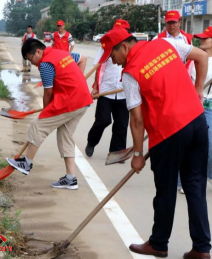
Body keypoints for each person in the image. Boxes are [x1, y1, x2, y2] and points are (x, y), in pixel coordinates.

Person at [98, 28, 211, 258]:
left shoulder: (130, 74)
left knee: (166, 190)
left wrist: (138, 154)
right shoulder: (166, 45)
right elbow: (201, 56)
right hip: (197, 122)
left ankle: (158, 243)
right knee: (196, 186)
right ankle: (201, 248)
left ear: (124, 47)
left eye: (112, 55)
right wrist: (198, 89)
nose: (113, 61)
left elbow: (137, 120)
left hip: (169, 133)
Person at [6, 39, 93, 190]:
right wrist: (77, 82)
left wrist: (46, 112)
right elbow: (83, 59)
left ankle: (26, 163)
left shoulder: (45, 64)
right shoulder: (61, 53)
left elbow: (48, 93)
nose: (31, 62)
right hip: (83, 100)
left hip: (70, 101)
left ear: (38, 52)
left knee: (38, 126)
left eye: (30, 58)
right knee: (65, 135)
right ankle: (71, 178)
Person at [154, 10, 194, 193]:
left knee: (184, 127)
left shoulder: (187, 39)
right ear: (165, 23)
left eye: (174, 22)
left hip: (184, 86)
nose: (172, 25)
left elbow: (192, 61)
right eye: (169, 22)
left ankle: (183, 173)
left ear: (180, 22)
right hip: (165, 87)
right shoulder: (158, 39)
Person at [85, 19, 130, 158]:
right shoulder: (105, 47)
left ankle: (116, 152)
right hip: (106, 89)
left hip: (123, 91)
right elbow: (99, 67)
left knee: (121, 124)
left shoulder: (130, 47)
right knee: (103, 120)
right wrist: (96, 87)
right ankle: (91, 141)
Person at [193, 26, 212, 185]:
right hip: (193, 106)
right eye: (201, 37)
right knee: (190, 144)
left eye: (206, 38)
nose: (202, 40)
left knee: (209, 145)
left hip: (210, 106)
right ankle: (185, 181)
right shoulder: (193, 59)